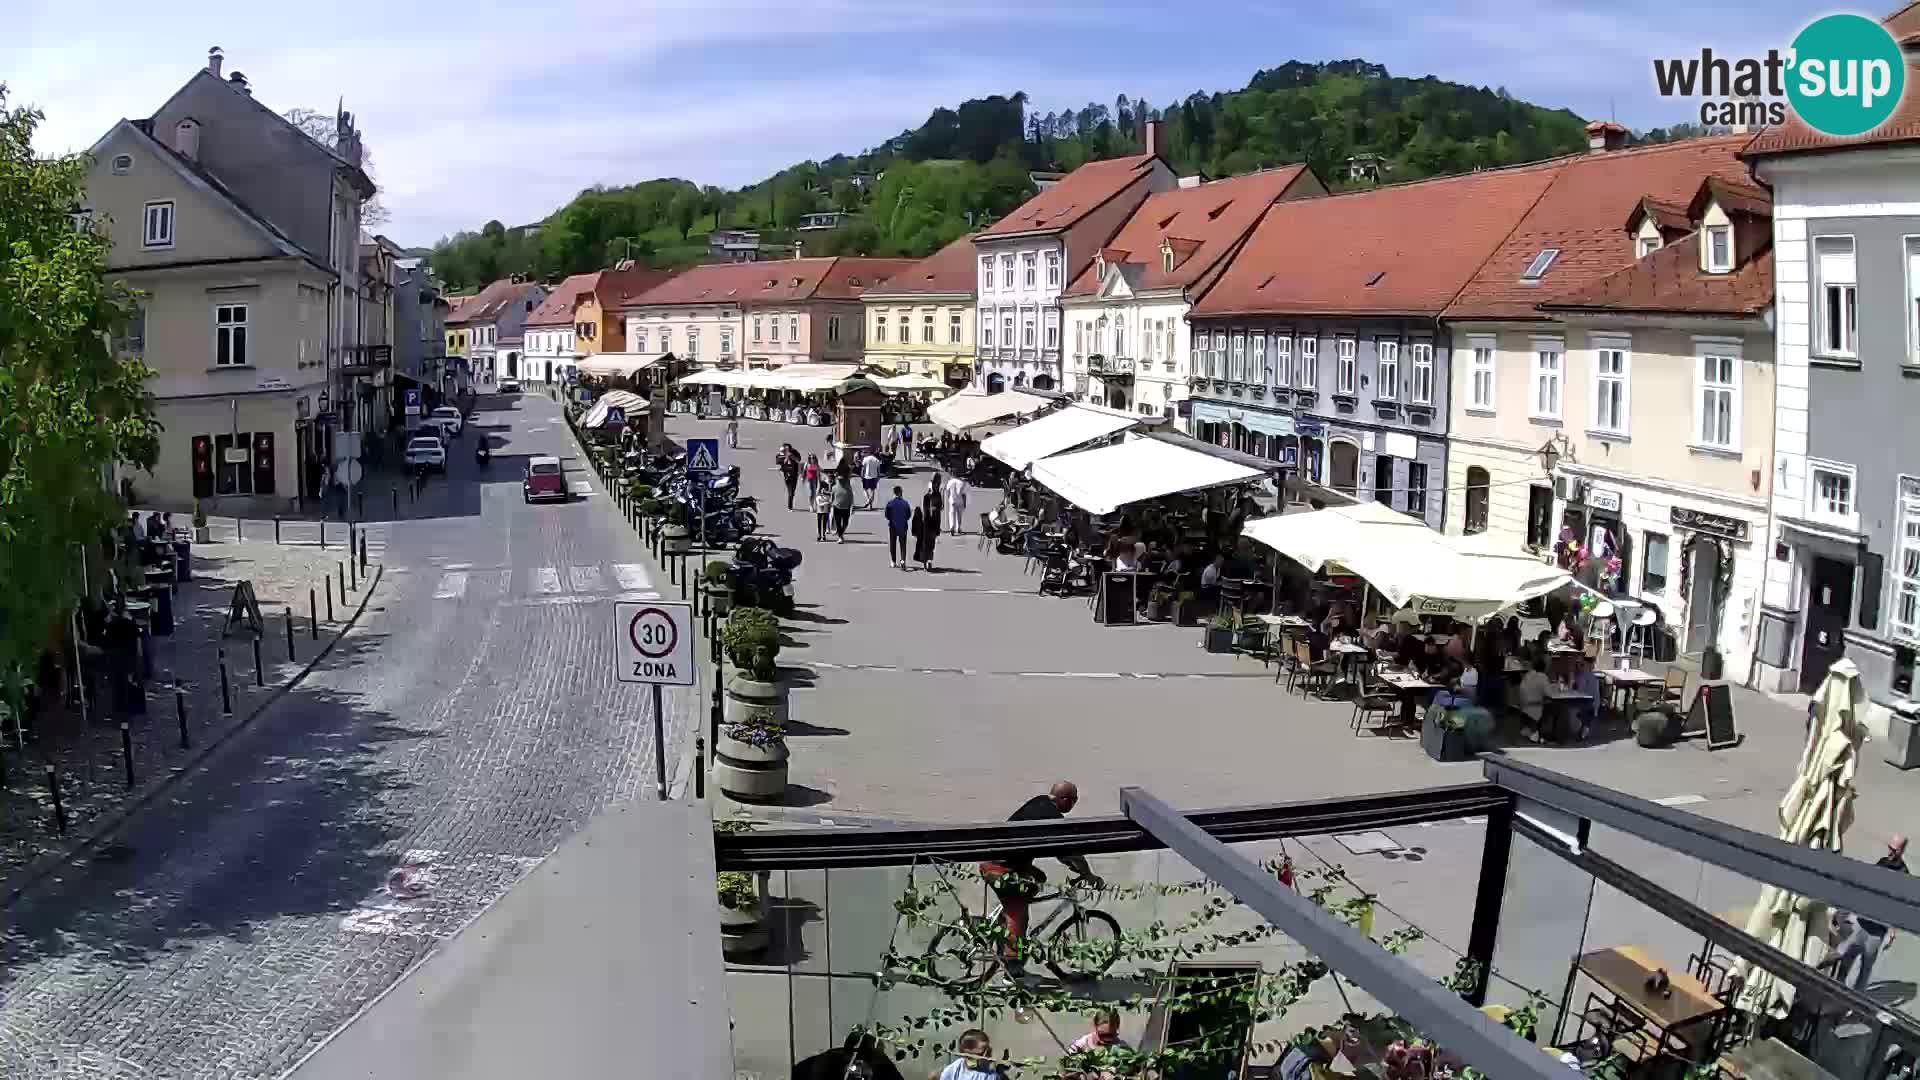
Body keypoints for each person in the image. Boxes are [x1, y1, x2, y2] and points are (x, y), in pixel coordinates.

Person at [977, 782, 1101, 975]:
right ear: (1066, 799)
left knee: (1038, 878)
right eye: (1074, 800)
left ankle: (1007, 922)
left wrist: (1077, 869)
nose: (1074, 805)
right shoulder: (1051, 817)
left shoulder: (1040, 803)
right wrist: (1088, 874)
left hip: (1005, 865)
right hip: (1000, 869)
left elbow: (1062, 853)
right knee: (1019, 914)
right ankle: (1012, 969)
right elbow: (1072, 851)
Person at [1828, 835, 1909, 991]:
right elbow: (1864, 887)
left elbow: (1900, 905)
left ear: (1902, 850)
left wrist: (1892, 931)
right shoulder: (1882, 862)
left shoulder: (1904, 874)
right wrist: (1844, 912)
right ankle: (1836, 993)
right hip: (1862, 922)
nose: (1890, 852)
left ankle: (1857, 1003)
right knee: (1845, 960)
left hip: (1877, 932)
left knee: (1865, 969)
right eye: (1889, 848)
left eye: (1894, 850)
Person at [1066, 1009, 1130, 1078]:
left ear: (1117, 1027)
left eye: (1110, 1035)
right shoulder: (1084, 1042)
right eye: (1102, 1035)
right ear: (1095, 1026)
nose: (1106, 1039)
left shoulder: (1122, 1047)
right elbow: (1068, 1060)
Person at [934, 1029, 1000, 1080]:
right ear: (965, 1055)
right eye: (980, 1054)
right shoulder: (956, 1068)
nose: (986, 1056)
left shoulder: (990, 1073)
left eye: (988, 1051)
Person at [1514, 656, 1551, 740]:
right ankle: (1544, 732)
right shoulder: (1543, 677)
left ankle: (1530, 730)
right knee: (1553, 706)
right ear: (1544, 667)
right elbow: (1549, 693)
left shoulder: (1527, 675)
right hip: (1536, 707)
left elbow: (1521, 689)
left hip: (1524, 707)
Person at [884, 486, 913, 568]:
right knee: (903, 544)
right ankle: (903, 560)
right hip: (903, 526)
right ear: (900, 492)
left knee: (893, 544)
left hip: (893, 526)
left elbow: (887, 515)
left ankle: (893, 561)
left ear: (894, 493)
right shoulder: (905, 503)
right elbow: (908, 515)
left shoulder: (890, 503)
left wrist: (891, 519)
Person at [831, 471, 854, 542]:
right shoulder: (834, 488)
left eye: (842, 480)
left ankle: (841, 533)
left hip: (846, 507)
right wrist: (832, 505)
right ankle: (840, 537)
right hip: (837, 507)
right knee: (838, 523)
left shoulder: (848, 488)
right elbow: (832, 497)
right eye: (839, 480)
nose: (840, 481)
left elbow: (851, 498)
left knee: (845, 523)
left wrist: (852, 507)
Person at [778, 445, 801, 511]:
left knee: (792, 491)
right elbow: (781, 462)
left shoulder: (795, 452)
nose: (787, 450)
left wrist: (792, 457)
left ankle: (791, 500)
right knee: (790, 492)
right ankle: (790, 507)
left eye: (788, 449)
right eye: (786, 449)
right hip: (787, 476)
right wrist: (787, 457)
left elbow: (798, 460)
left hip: (794, 475)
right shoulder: (782, 454)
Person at [923, 473, 945, 540]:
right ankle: (937, 530)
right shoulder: (940, 484)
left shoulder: (930, 483)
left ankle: (932, 528)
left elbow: (930, 491)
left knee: (932, 514)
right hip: (938, 498)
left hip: (932, 498)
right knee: (938, 515)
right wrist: (942, 503)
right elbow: (942, 493)